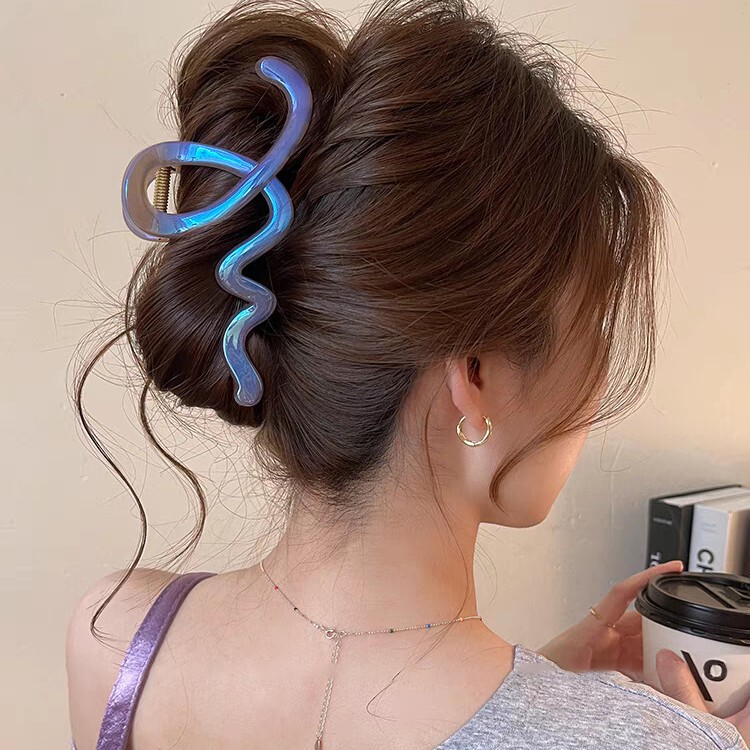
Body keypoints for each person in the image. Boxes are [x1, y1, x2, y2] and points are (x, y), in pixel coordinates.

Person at [65, 0, 750, 748]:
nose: (595, 389)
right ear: (475, 374)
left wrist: (552, 702)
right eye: (592, 333)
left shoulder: (118, 633)